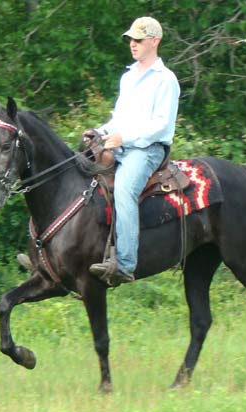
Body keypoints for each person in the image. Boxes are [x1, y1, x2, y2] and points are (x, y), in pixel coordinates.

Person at [88, 16, 180, 286]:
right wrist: (99, 132)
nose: (133, 44)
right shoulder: (128, 77)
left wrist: (123, 138)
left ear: (155, 41)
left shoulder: (166, 80)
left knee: (125, 189)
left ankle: (125, 263)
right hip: (122, 143)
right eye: (130, 39)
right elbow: (119, 118)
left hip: (148, 150)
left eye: (138, 40)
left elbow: (161, 125)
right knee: (81, 171)